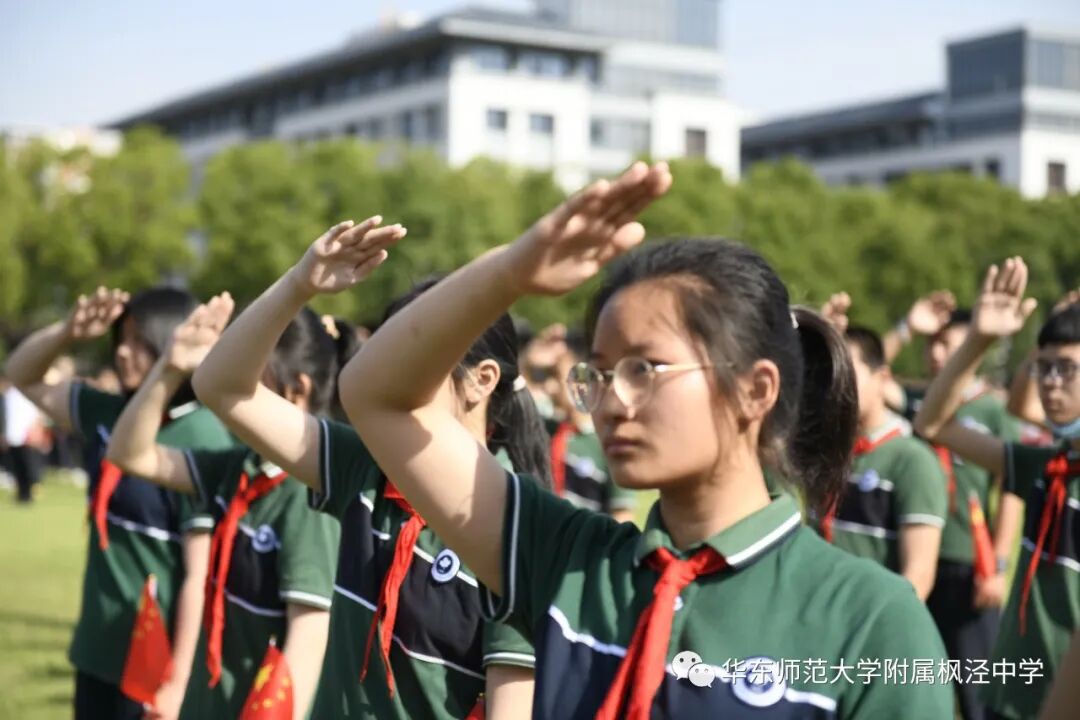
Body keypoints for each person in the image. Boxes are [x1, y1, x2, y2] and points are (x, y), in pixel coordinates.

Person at [340, 162, 953, 717]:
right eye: (600, 373)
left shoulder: (873, 618)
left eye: (644, 369)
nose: (612, 401)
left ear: (755, 390)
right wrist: (509, 273)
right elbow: (375, 394)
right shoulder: (564, 560)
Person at [189, 217, 541, 719]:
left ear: (481, 380)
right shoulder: (366, 468)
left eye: (414, 362)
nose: (388, 382)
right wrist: (299, 285)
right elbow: (222, 386)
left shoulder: (516, 527)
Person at [4, 286, 235, 720]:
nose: (124, 353)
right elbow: (21, 373)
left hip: (153, 657)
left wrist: (176, 681)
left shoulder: (201, 438)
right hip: (96, 648)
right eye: (120, 340)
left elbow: (197, 577)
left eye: (140, 342)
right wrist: (67, 332)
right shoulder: (110, 412)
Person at [105, 294, 340, 719]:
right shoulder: (240, 467)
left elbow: (309, 633)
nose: (228, 397)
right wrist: (170, 366)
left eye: (247, 382)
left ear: (297, 391)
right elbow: (129, 453)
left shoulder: (309, 495)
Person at [914, 259, 1080, 720]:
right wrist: (979, 341)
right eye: (1041, 368)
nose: (1049, 384)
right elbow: (933, 423)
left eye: (1066, 369)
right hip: (1014, 692)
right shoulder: (1047, 466)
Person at [876, 291, 1025, 720]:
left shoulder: (993, 411)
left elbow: (1010, 492)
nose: (937, 353)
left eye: (949, 344)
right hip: (913, 561)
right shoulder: (922, 402)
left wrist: (996, 565)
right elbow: (862, 372)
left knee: (980, 690)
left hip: (967, 565)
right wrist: (907, 327)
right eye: (932, 344)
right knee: (913, 678)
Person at [813, 325, 946, 601]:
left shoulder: (912, 460)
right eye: (829, 374)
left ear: (882, 378)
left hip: (865, 620)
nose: (836, 384)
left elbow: (918, 577)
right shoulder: (825, 451)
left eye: (848, 374)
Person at [547, 330, 636, 523]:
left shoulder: (609, 440)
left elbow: (621, 514)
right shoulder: (548, 430)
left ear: (581, 385)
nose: (550, 387)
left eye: (556, 377)